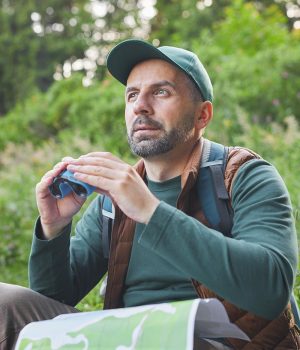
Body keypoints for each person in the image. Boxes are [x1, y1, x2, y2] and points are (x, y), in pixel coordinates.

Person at [1, 39, 299, 349]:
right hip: (125, 340)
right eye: (132, 95)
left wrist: (150, 211)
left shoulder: (243, 176)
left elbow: (271, 289)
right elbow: (54, 305)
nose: (141, 105)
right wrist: (54, 227)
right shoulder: (111, 201)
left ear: (202, 116)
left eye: (161, 92)